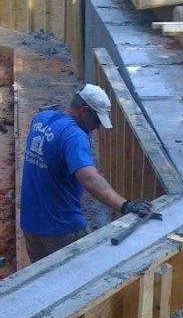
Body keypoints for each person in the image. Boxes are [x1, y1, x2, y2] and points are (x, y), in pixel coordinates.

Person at [20, 84, 155, 263]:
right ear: (84, 111)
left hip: (30, 223)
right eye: (97, 120)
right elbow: (89, 178)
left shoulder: (41, 118)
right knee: (79, 276)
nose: (98, 126)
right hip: (61, 227)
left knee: (45, 278)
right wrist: (126, 205)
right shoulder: (74, 136)